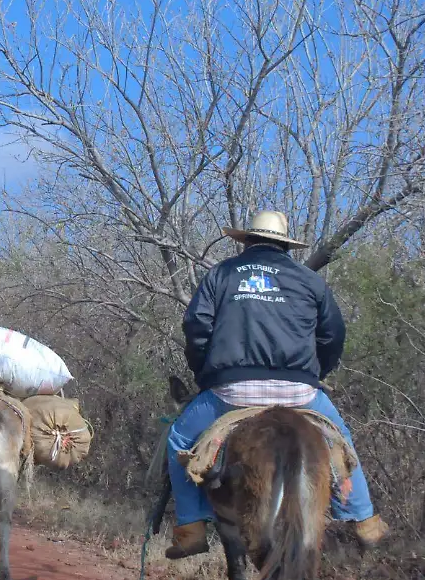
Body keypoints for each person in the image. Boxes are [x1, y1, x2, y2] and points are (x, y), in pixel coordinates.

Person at [164, 210, 388, 559]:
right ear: (285, 244)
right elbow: (333, 335)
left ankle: (191, 528)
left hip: (230, 391)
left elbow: (197, 327)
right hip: (299, 392)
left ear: (247, 240)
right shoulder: (309, 280)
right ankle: (362, 518)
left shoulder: (221, 274)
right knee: (341, 439)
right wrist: (315, 374)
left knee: (179, 439)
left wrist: (205, 375)